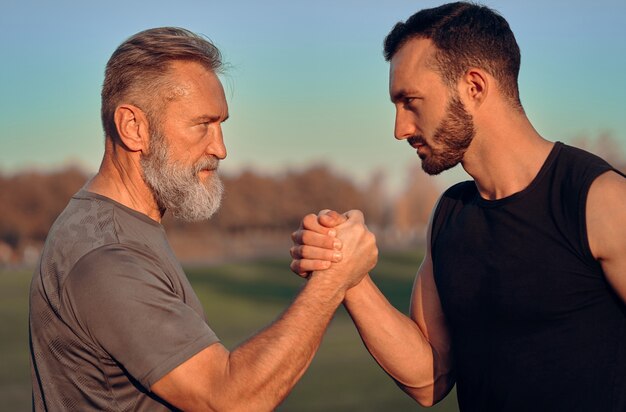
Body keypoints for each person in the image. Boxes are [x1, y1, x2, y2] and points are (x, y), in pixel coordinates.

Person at [290, 2, 626, 411]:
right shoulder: (449, 214)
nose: (400, 129)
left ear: (474, 87)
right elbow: (428, 378)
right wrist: (348, 273)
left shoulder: (599, 199)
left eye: (410, 101)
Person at [29, 27, 377, 411]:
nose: (221, 148)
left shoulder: (120, 229)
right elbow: (228, 399)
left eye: (221, 124)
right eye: (202, 125)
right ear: (133, 127)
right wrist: (332, 281)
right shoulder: (106, 257)